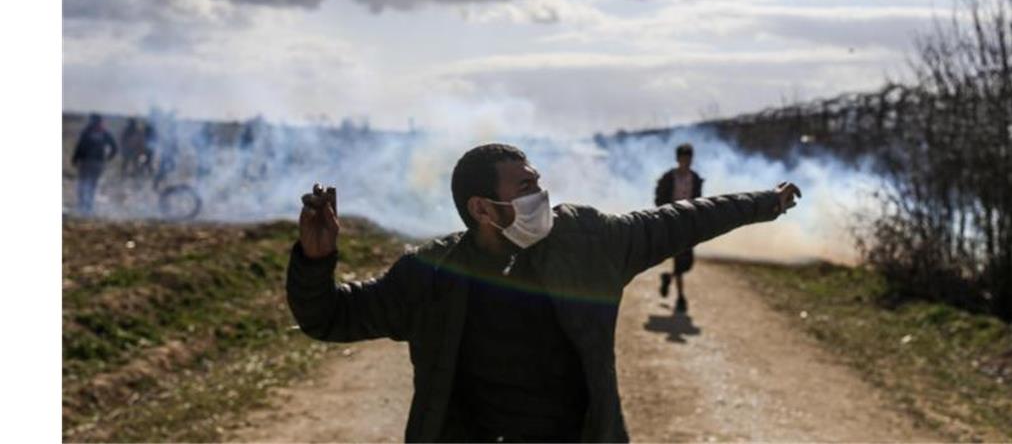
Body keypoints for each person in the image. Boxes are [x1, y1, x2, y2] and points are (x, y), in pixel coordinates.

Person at [287, 142, 801, 442]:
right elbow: (331, 317)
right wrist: (315, 261)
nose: (541, 197)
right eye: (525, 189)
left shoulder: (589, 241)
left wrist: (763, 203)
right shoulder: (430, 275)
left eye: (538, 182)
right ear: (482, 209)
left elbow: (680, 220)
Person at [654, 142, 702, 313]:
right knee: (680, 258)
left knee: (687, 263)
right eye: (683, 159)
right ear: (677, 159)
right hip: (672, 221)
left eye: (688, 159)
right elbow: (659, 198)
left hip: (688, 222)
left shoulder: (695, 178)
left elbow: (699, 201)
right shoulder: (669, 178)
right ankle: (681, 298)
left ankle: (668, 278)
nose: (685, 162)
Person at [70, 113, 118, 216]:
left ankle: (83, 207)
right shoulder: (104, 132)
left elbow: (80, 146)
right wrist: (108, 158)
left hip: (86, 162)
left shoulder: (87, 131)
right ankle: (88, 207)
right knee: (92, 185)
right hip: (98, 163)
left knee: (83, 184)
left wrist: (75, 159)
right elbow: (114, 147)